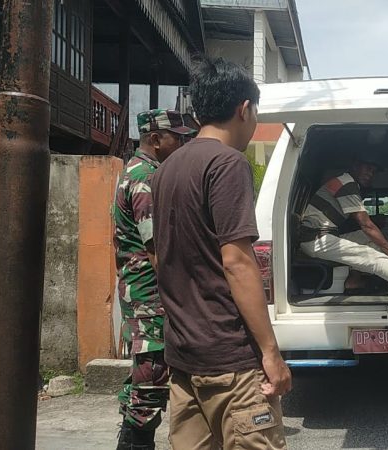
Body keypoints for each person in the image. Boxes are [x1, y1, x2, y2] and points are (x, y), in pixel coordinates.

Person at [151, 56, 291, 449]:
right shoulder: (227, 163)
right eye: (255, 112)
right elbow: (237, 262)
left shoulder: (166, 170)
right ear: (244, 109)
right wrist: (271, 353)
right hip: (231, 361)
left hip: (184, 357)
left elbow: (161, 257)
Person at [113, 109, 197, 450]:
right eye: (178, 138)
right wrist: (183, 298)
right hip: (150, 294)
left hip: (143, 291)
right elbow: (156, 249)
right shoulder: (145, 178)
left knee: (146, 375)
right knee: (151, 377)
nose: (183, 144)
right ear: (155, 138)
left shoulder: (139, 171)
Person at [299, 157, 388, 295]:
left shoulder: (347, 183)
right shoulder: (346, 185)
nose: (370, 174)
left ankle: (355, 281)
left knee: (366, 238)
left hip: (321, 236)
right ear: (355, 165)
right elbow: (366, 225)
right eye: (368, 168)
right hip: (316, 240)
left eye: (374, 171)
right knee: (374, 259)